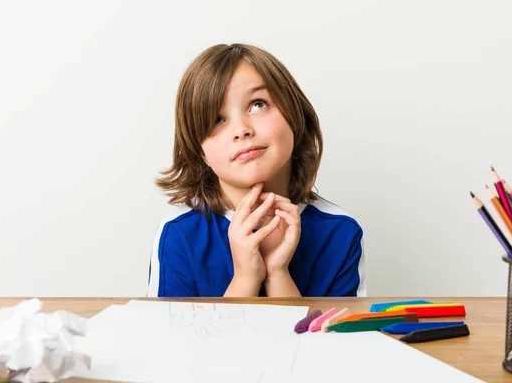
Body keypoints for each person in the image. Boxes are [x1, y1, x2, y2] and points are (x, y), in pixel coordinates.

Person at [147, 43, 365, 297]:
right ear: (200, 152)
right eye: (217, 120)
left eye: (258, 104)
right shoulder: (178, 234)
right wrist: (247, 278)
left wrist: (277, 273)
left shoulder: (341, 231)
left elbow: (327, 337)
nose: (242, 129)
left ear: (294, 114)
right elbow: (175, 337)